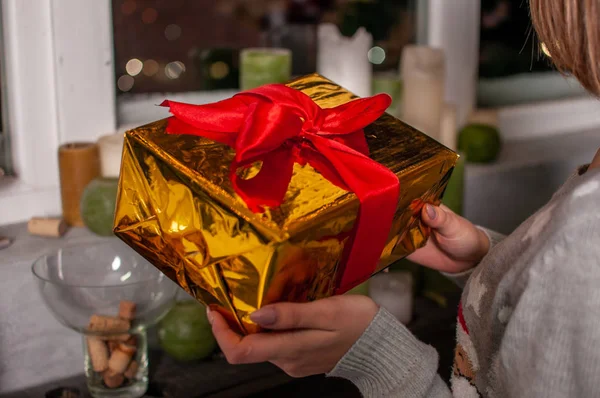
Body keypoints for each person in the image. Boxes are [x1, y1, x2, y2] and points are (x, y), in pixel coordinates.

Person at [206, 1, 600, 396]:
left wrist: (373, 355)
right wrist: (490, 260)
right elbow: (565, 308)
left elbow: (575, 275)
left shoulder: (583, 241)